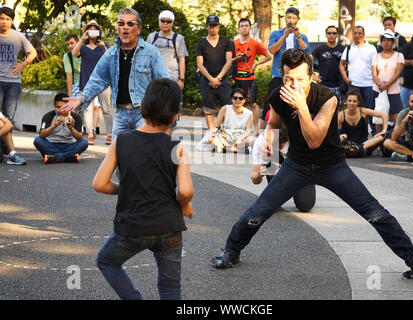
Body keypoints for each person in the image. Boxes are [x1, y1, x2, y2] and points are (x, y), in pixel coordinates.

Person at [211, 49, 413, 281]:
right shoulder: (278, 94)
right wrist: (268, 144)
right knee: (258, 212)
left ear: (311, 76)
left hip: (332, 166)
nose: (294, 85)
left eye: (300, 79)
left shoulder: (327, 98)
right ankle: (231, 250)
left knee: (374, 212)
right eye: (289, 79)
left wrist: (301, 106)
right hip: (296, 165)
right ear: (282, 75)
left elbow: (314, 140)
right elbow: (273, 125)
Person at [93, 78, 193, 300]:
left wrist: (125, 188)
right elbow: (185, 191)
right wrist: (185, 205)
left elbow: (100, 184)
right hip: (169, 227)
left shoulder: (121, 141)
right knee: (170, 286)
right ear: (176, 116)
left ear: (141, 107)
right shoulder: (178, 147)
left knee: (107, 261)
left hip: (131, 227)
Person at [61, 8, 169, 140]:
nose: (125, 28)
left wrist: (156, 108)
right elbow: (97, 80)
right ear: (117, 28)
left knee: (142, 155)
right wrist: (81, 98)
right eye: (121, 23)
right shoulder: (110, 54)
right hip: (121, 114)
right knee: (117, 155)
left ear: (139, 29)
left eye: (130, 24)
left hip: (144, 114)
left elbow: (163, 84)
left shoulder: (151, 53)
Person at [260, 7, 310, 130]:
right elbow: (272, 50)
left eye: (293, 18)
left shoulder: (302, 36)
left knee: (294, 103)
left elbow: (305, 50)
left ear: (297, 20)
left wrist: (297, 36)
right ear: (285, 19)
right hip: (278, 74)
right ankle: (261, 132)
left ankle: (291, 131)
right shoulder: (276, 34)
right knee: (270, 102)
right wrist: (284, 36)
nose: (291, 20)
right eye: (288, 17)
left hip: (295, 77)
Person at [251, 123, 316, 213]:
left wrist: (286, 171)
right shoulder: (261, 142)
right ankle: (277, 192)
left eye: (278, 146)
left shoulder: (298, 137)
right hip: (277, 167)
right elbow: (255, 180)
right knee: (272, 204)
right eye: (272, 146)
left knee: (305, 205)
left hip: (300, 169)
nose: (274, 149)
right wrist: (261, 173)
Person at [0, 6, 36, 154]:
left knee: (9, 116)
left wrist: (23, 64)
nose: (4, 22)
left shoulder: (18, 36)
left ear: (12, 21)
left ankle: (5, 149)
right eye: (1, 18)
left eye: (7, 19)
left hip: (13, 81)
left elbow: (32, 52)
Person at [146, 10, 188, 135]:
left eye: (168, 21)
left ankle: (167, 138)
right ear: (159, 22)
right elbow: (146, 57)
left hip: (172, 79)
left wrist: (181, 79)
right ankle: (154, 134)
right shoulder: (151, 37)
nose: (165, 23)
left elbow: (182, 59)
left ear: (172, 23)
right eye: (162, 21)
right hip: (154, 80)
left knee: (171, 108)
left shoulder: (178, 38)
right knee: (154, 107)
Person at [72, 20, 113, 145]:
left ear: (99, 32)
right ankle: (90, 134)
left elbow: (111, 60)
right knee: (88, 109)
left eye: (95, 29)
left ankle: (110, 134)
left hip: (103, 82)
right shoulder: (83, 48)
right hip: (87, 82)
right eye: (90, 29)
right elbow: (74, 53)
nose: (93, 31)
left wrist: (104, 47)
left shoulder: (103, 45)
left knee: (106, 109)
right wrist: (82, 39)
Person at [232, 18, 272, 131]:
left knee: (253, 104)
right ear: (239, 29)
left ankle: (255, 128)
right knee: (237, 103)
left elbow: (268, 56)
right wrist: (237, 58)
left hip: (250, 78)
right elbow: (228, 59)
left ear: (250, 28)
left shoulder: (255, 43)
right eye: (242, 26)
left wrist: (256, 63)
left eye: (246, 25)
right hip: (237, 78)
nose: (244, 27)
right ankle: (238, 127)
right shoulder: (234, 43)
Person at [196, 14, 234, 130]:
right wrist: (211, 79)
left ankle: (226, 134)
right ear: (207, 27)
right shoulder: (201, 43)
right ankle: (211, 134)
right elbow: (200, 65)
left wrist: (218, 78)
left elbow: (229, 62)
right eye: (211, 26)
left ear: (219, 26)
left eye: (215, 26)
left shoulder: (227, 42)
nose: (213, 28)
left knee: (228, 108)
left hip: (223, 80)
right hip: (206, 80)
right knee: (208, 109)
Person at [339, 26, 377, 132]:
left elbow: (375, 66)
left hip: (368, 84)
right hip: (353, 84)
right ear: (352, 35)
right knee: (353, 110)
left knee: (370, 110)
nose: (357, 35)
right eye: (355, 33)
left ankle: (375, 134)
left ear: (364, 35)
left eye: (360, 33)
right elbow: (341, 64)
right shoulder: (348, 48)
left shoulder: (371, 48)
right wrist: (345, 78)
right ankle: (356, 134)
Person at [33, 93, 88, 164]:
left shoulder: (76, 117)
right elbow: (42, 135)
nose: (61, 110)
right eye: (58, 107)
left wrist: (71, 128)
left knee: (84, 143)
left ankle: (56, 157)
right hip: (52, 144)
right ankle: (67, 157)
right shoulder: (48, 116)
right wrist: (53, 126)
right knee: (37, 140)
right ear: (54, 106)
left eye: (65, 107)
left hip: (69, 145)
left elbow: (80, 137)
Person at [197, 88, 255, 153]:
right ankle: (233, 149)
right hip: (225, 136)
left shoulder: (249, 113)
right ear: (231, 99)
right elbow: (216, 125)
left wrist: (240, 139)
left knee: (252, 139)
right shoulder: (225, 108)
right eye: (235, 98)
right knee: (212, 139)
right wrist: (214, 133)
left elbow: (248, 131)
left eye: (240, 98)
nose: (237, 100)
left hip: (240, 137)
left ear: (244, 100)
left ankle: (227, 148)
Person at [370, 29, 405, 132]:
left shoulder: (399, 56)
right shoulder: (375, 56)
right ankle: (379, 142)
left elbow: (397, 73)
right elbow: (374, 73)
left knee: (396, 117)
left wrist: (386, 85)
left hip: (393, 90)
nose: (386, 42)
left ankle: (398, 140)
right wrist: (380, 84)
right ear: (381, 42)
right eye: (384, 40)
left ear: (393, 42)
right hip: (378, 90)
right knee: (378, 117)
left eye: (389, 40)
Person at [338, 89, 387, 158]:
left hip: (364, 144)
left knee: (380, 138)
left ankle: (358, 150)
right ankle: (358, 151)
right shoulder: (341, 115)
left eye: (354, 101)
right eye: (350, 101)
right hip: (347, 145)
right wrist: (339, 136)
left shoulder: (363, 111)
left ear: (358, 102)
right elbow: (331, 130)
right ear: (346, 101)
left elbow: (383, 115)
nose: (352, 103)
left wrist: (384, 130)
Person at [311, 25, 345, 106]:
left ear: (337, 35)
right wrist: (312, 75)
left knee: (338, 109)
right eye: (329, 33)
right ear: (326, 35)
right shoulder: (320, 49)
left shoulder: (343, 49)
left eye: (334, 33)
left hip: (338, 86)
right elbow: (307, 61)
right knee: (322, 108)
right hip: (323, 85)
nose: (331, 35)